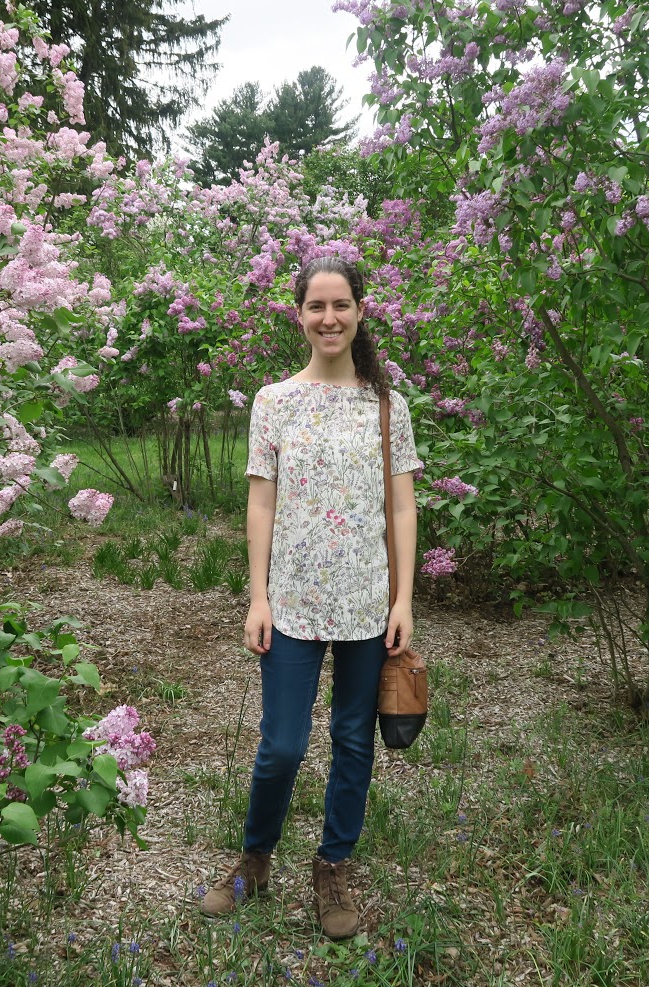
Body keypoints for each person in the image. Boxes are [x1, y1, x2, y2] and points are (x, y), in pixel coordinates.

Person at [198, 255, 421, 939]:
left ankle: (333, 865)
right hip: (291, 602)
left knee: (353, 740)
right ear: (299, 315)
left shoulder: (386, 405)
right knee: (283, 746)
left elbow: (402, 507)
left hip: (367, 604)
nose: (329, 317)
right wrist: (257, 597)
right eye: (316, 306)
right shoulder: (274, 402)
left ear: (360, 311)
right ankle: (255, 859)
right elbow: (260, 503)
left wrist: (403, 599)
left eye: (341, 304)